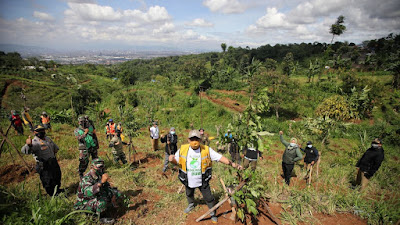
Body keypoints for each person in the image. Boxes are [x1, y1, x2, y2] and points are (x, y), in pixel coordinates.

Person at [169, 130, 243, 223]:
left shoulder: (206, 149)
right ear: (188, 140)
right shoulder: (183, 149)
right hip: (188, 179)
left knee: (209, 197)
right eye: (192, 139)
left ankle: (212, 213)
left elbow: (219, 157)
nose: (194, 141)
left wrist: (232, 164)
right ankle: (191, 205)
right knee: (189, 194)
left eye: (196, 139)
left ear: (200, 140)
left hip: (203, 180)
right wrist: (172, 160)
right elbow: (176, 161)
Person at [74, 158, 123, 222]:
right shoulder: (87, 178)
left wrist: (112, 195)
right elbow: (87, 193)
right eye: (99, 167)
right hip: (84, 203)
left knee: (117, 193)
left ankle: (108, 208)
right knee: (102, 202)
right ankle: (99, 218)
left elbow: (107, 187)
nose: (101, 169)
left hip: (95, 197)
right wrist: (100, 183)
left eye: (102, 167)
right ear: (92, 167)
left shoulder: (99, 174)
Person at [21, 125, 63, 195]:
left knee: (57, 176)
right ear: (34, 132)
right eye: (39, 131)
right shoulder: (34, 142)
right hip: (44, 165)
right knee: (48, 180)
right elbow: (25, 151)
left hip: (53, 162)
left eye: (42, 130)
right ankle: (52, 194)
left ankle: (57, 190)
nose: (41, 132)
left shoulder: (47, 139)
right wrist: (28, 145)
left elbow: (55, 148)